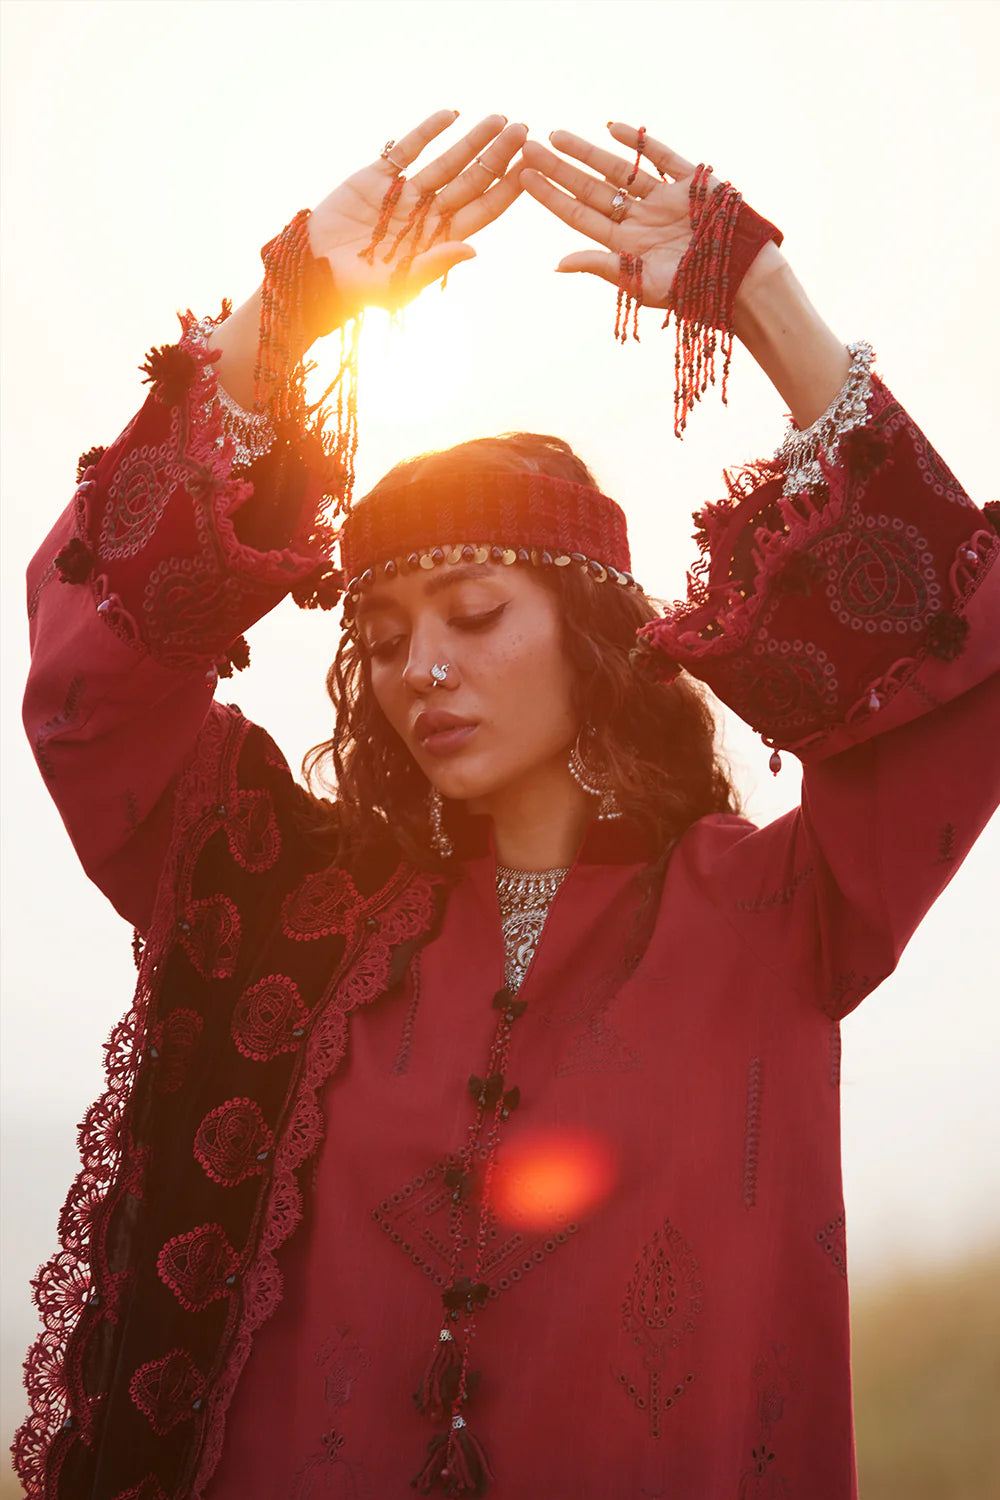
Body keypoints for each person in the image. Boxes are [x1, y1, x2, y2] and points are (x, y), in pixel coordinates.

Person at [15, 109, 999, 1500]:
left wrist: (763, 298)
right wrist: (281, 311)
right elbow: (90, 691)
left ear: (593, 643)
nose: (423, 669)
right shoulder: (285, 900)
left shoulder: (779, 914)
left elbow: (954, 679)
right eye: (385, 638)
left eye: (474, 616)